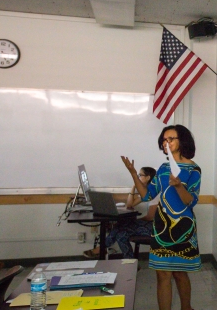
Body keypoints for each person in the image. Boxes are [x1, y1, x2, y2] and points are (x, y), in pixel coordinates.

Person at [121, 124, 201, 310]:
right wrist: (134, 173)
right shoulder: (164, 168)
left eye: (171, 138)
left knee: (180, 273)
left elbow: (191, 201)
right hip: (161, 227)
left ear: (183, 141)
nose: (167, 142)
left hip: (183, 227)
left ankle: (186, 308)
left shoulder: (193, 169)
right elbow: (147, 195)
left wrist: (179, 186)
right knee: (162, 274)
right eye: (165, 139)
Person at [82, 166, 158, 259]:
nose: (137, 177)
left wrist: (133, 222)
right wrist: (134, 186)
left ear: (148, 177)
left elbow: (150, 217)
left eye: (140, 175)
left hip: (156, 228)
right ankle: (130, 262)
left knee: (121, 228)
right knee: (121, 234)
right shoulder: (146, 192)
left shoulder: (155, 193)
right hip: (150, 225)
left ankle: (101, 249)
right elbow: (130, 205)